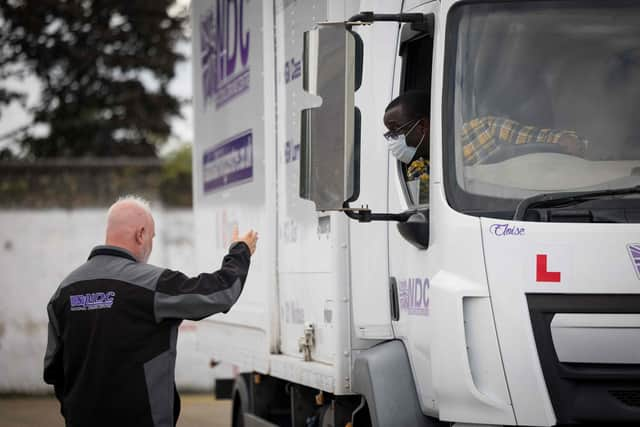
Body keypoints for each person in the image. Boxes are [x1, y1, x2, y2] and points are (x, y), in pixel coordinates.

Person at [43, 195, 258, 427]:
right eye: (152, 237)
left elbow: (54, 370)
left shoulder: (63, 292)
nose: (151, 244)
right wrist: (240, 251)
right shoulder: (152, 284)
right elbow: (219, 293)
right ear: (141, 234)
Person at [383, 91, 587, 203]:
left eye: (395, 130)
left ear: (422, 126)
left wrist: (566, 141)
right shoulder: (419, 169)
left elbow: (546, 139)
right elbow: (426, 207)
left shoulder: (485, 130)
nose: (392, 139)